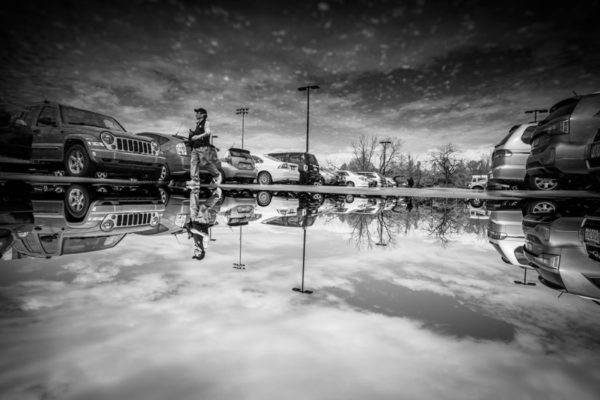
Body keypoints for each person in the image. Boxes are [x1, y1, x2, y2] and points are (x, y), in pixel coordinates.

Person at [185, 186, 224, 261]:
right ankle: (218, 195)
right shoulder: (204, 246)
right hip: (202, 222)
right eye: (196, 255)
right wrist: (197, 232)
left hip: (194, 220)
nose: (194, 253)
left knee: (193, 205)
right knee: (204, 206)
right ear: (200, 253)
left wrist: (190, 233)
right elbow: (206, 236)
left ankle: (194, 189)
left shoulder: (196, 244)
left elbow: (194, 233)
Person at [186, 107, 221, 186]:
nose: (196, 114)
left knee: (205, 163)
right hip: (195, 147)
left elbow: (208, 132)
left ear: (203, 114)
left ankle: (217, 175)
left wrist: (197, 136)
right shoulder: (197, 124)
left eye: (198, 113)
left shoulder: (206, 123)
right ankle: (195, 180)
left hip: (203, 147)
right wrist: (192, 135)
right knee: (193, 163)